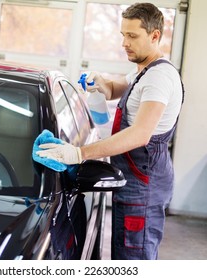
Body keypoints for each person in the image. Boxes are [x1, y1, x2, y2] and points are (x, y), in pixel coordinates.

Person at [36, 2, 184, 260]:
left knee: (133, 258)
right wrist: (102, 84)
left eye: (133, 36)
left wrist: (80, 153)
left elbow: (140, 134)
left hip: (144, 186)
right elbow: (119, 87)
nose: (125, 43)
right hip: (135, 181)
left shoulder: (159, 78)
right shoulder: (143, 69)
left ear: (155, 35)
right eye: (123, 35)